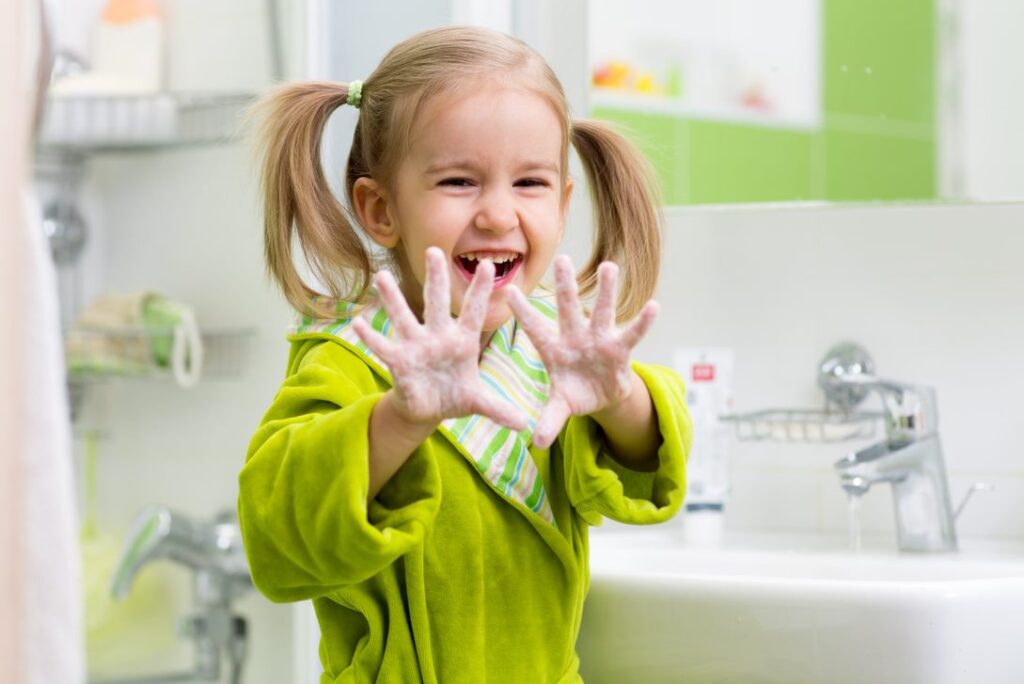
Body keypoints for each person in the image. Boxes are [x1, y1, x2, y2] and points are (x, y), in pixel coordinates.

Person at [238, 25, 692, 683]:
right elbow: (276, 531)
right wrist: (399, 419)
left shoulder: (556, 363)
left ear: (563, 206)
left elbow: (655, 455)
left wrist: (620, 398)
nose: (499, 214)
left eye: (530, 183)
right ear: (381, 209)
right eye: (458, 181)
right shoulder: (352, 359)